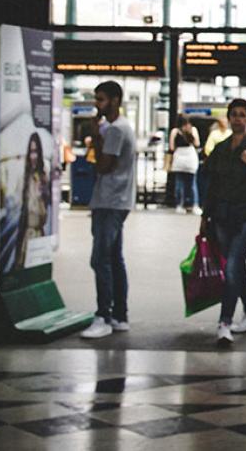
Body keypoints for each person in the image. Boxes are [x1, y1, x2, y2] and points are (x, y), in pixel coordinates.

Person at [201, 98, 246, 347]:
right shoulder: (221, 149)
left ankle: (224, 322)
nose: (237, 119)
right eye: (234, 114)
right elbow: (211, 185)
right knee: (236, 267)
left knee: (232, 265)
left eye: (242, 115)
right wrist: (204, 217)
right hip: (222, 217)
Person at [80, 81, 137, 339]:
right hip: (118, 199)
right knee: (115, 258)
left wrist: (96, 140)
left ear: (115, 100)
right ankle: (119, 315)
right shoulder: (122, 127)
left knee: (100, 258)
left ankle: (103, 314)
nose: (97, 104)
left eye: (101, 99)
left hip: (109, 200)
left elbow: (103, 166)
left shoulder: (115, 130)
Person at [16, 132, 51, 269]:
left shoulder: (43, 177)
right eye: (31, 152)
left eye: (36, 152)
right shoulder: (24, 180)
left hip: (40, 234)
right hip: (27, 236)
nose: (33, 156)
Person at [169, 115, 201, 214]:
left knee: (180, 183)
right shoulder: (193, 129)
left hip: (179, 157)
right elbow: (197, 143)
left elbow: (172, 147)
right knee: (192, 184)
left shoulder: (175, 131)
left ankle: (180, 205)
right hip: (190, 157)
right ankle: (194, 205)